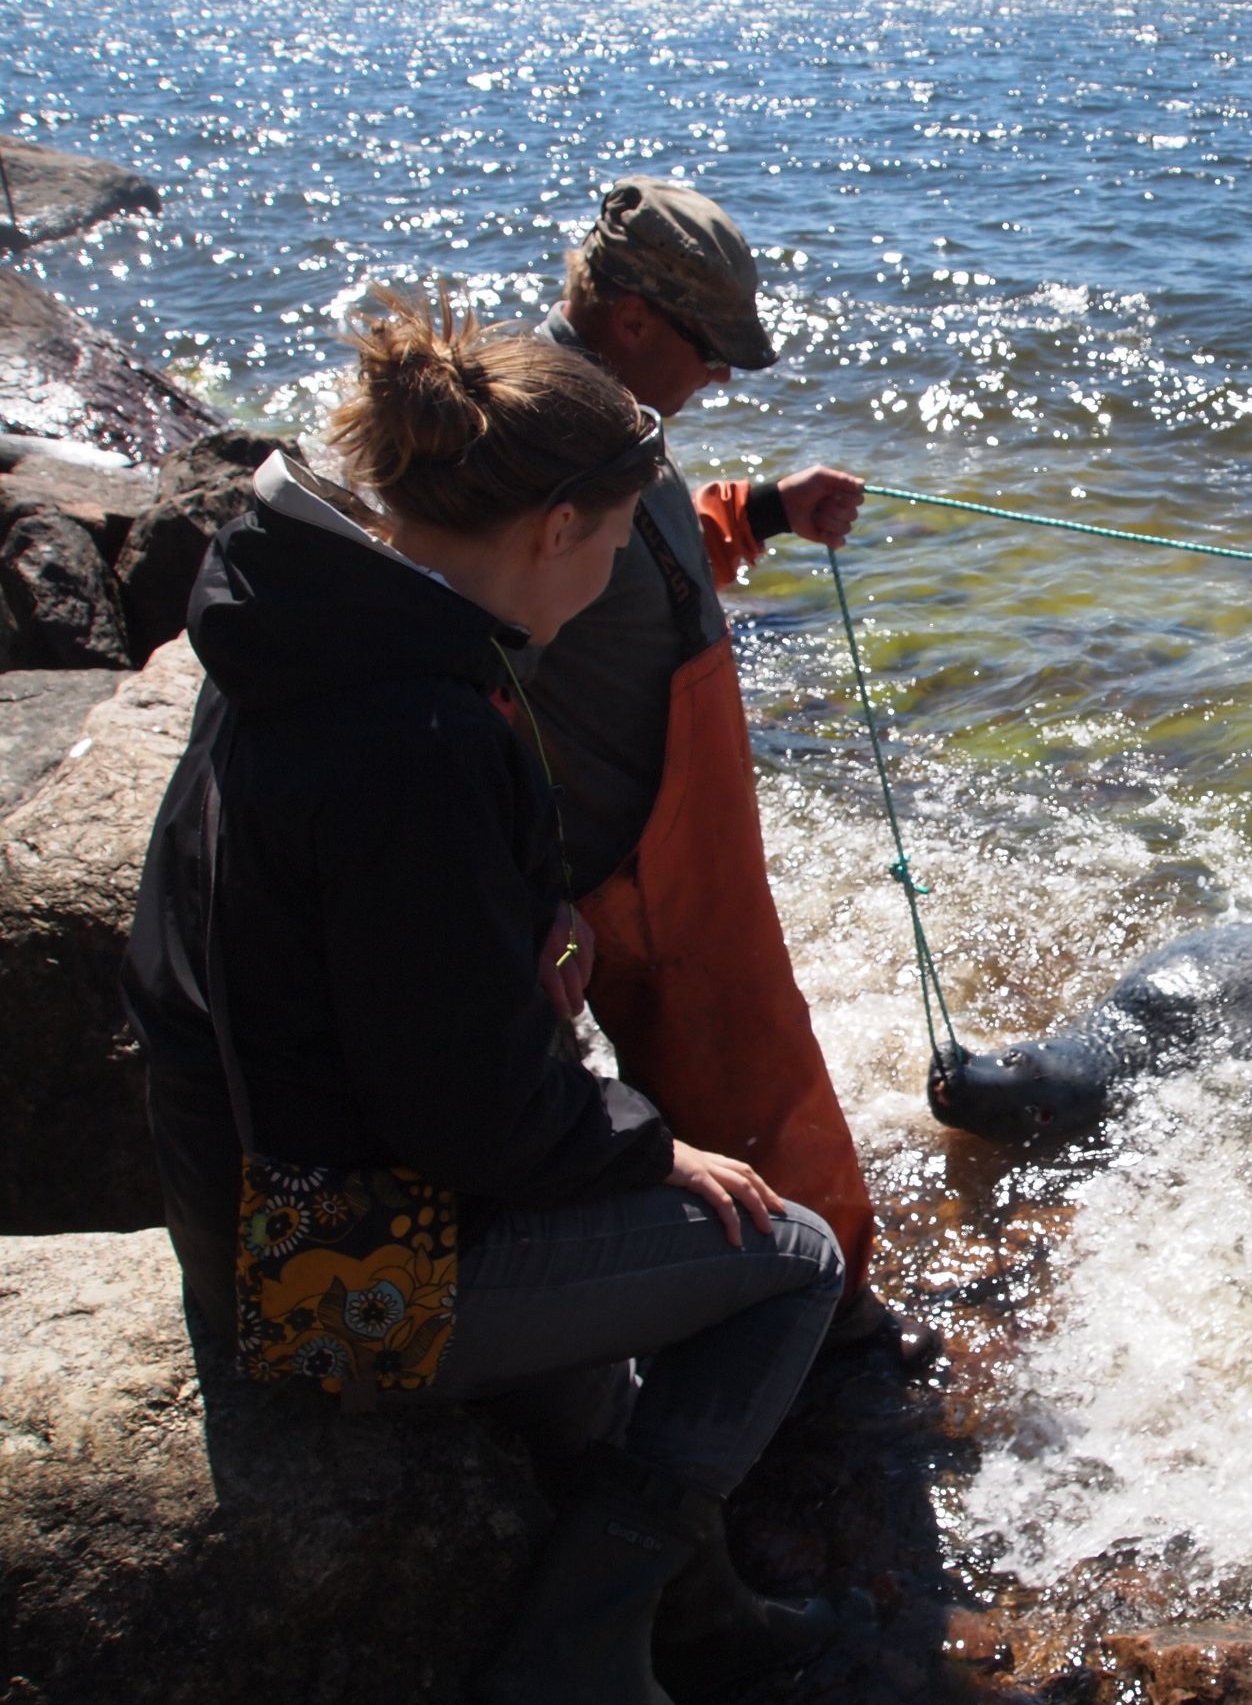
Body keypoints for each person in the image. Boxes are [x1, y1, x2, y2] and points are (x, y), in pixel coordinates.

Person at [122, 290, 847, 1704]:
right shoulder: (422, 738)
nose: (614, 581)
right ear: (555, 531)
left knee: (619, 1235)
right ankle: (575, 1655)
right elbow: (469, 1114)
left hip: (235, 1185)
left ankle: (687, 1616)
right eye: (621, 542)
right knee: (789, 1258)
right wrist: (648, 1149)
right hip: (318, 1274)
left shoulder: (304, 631)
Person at [525, 176, 931, 1366]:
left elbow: (630, 571)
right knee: (756, 1087)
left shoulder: (598, 418)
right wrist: (525, 888)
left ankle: (758, 1302)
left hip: (673, 832)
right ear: (635, 317)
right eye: (712, 351)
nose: (724, 377)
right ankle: (826, 1333)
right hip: (634, 863)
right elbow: (474, 665)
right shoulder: (539, 442)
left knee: (735, 1086)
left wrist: (759, 509)